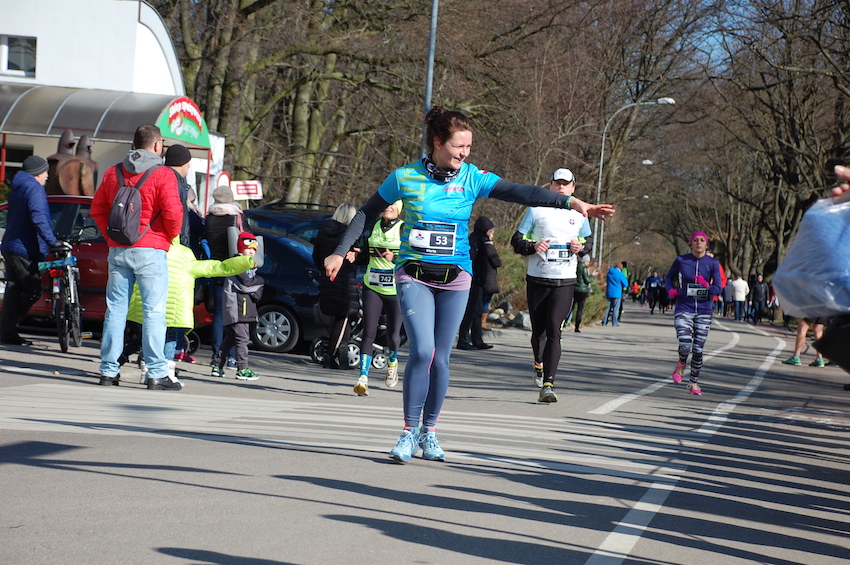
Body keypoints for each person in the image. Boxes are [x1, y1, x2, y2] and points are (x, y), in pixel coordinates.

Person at [323, 106, 614, 463]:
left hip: (456, 279)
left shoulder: (473, 178)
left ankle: (430, 432)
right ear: (437, 142)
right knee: (423, 352)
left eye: (469, 147)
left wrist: (571, 202)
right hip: (414, 275)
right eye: (458, 146)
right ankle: (408, 432)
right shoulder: (404, 178)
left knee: (441, 359)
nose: (464, 153)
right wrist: (340, 251)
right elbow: (366, 213)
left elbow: (522, 192)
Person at [90, 124, 183, 387]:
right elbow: (174, 213)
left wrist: (111, 237)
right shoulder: (163, 174)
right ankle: (156, 373)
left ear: (134, 144)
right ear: (157, 145)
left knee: (115, 310)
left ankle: (108, 371)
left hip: (118, 249)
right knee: (153, 312)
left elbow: (97, 209)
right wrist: (168, 237)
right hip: (151, 250)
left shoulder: (113, 172)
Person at [510, 168, 592, 402]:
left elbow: (589, 243)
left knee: (555, 330)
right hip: (538, 279)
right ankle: (538, 362)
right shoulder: (536, 210)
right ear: (551, 186)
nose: (561, 187)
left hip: (565, 281)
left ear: (573, 188)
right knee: (539, 333)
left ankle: (548, 384)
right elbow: (516, 241)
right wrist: (533, 247)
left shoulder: (580, 213)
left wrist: (581, 248)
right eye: (557, 183)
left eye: (566, 184)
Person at [127, 237, 255, 388]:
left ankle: (145, 371)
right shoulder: (184, 253)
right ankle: (166, 374)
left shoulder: (149, 248)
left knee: (149, 336)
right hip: (173, 308)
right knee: (170, 337)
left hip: (149, 304)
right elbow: (213, 267)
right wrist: (243, 262)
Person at [0, 155, 58, 345]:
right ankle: (7, 328)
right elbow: (38, 217)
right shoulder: (33, 188)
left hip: (11, 245)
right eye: (46, 172)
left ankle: (7, 333)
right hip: (23, 247)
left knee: (14, 288)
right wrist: (52, 241)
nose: (47, 176)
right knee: (33, 289)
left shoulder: (18, 187)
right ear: (37, 173)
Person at [354, 200, 404, 395]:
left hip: (394, 290)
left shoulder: (403, 229)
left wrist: (395, 258)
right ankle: (363, 378)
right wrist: (355, 255)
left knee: (393, 336)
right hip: (372, 286)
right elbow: (364, 252)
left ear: (399, 208)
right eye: (386, 204)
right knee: (368, 331)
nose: (388, 207)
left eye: (393, 205)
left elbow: (413, 258)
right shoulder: (373, 225)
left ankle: (392, 363)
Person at [664, 231, 723, 395]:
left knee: (698, 349)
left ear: (706, 244)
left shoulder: (712, 263)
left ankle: (694, 382)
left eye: (702, 240)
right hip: (684, 307)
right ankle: (681, 363)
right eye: (695, 240)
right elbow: (668, 277)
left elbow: (718, 289)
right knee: (685, 343)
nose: (699, 242)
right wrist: (670, 290)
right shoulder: (682, 260)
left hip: (704, 310)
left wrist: (707, 285)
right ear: (691, 243)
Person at [313, 203, 361, 371]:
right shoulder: (348, 235)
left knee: (341, 318)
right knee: (345, 317)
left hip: (328, 278)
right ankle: (331, 355)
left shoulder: (323, 231)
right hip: (345, 281)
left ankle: (341, 351)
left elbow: (316, 256)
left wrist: (324, 270)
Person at [211, 232, 264, 380]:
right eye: (249, 248)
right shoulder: (239, 264)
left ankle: (217, 365)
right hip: (238, 309)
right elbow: (246, 285)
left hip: (239, 308)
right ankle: (242, 368)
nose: (252, 252)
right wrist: (260, 282)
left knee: (230, 338)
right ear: (241, 249)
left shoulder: (247, 265)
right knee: (242, 339)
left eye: (254, 249)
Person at [205, 185, 243, 365]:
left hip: (217, 267)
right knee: (234, 314)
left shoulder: (210, 217)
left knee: (219, 313)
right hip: (235, 268)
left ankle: (217, 355)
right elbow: (247, 238)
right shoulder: (236, 216)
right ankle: (233, 356)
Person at [458, 215, 502, 351]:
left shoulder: (480, 239)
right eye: (489, 229)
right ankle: (463, 340)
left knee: (477, 311)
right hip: (474, 280)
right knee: (471, 311)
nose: (491, 232)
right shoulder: (475, 240)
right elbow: (473, 259)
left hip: (479, 280)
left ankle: (477, 340)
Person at [571, 255, 594, 332]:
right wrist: (592, 276)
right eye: (587, 261)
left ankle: (564, 323)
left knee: (571, 307)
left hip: (575, 289)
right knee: (580, 309)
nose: (588, 263)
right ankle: (577, 326)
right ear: (584, 261)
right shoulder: (584, 268)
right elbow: (587, 280)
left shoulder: (575, 267)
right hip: (583, 290)